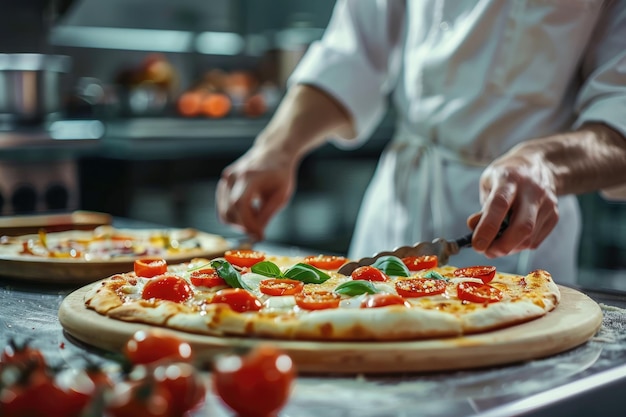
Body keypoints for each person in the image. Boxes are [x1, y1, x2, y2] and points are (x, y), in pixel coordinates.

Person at [216, 0, 626, 284]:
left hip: (522, 225)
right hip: (398, 205)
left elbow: (619, 112)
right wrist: (277, 147)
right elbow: (353, 51)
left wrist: (547, 164)